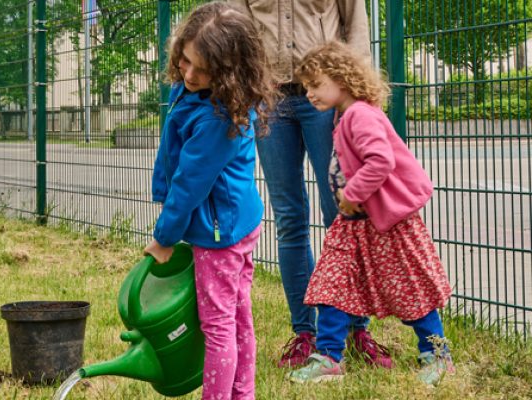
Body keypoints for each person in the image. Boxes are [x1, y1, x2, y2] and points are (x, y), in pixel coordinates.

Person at [228, 0, 388, 368]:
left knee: (343, 214)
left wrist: (353, 95)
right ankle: (305, 333)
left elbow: (356, 27)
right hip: (271, 102)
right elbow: (238, 29)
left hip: (326, 97)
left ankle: (354, 328)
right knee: (289, 219)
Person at [285, 41, 454, 386]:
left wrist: (352, 193)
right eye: (307, 88)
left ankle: (436, 355)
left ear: (342, 79)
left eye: (316, 85)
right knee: (330, 285)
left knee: (410, 290)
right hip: (354, 225)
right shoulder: (344, 115)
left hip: (388, 225)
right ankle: (330, 356)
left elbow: (381, 161)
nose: (310, 94)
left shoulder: (361, 114)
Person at [144, 2, 275, 398]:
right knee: (237, 315)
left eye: (202, 69)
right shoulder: (196, 92)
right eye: (185, 61)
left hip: (220, 233)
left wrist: (165, 237)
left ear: (229, 72)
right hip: (237, 221)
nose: (188, 74)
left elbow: (190, 183)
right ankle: (243, 394)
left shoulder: (220, 119)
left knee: (217, 326)